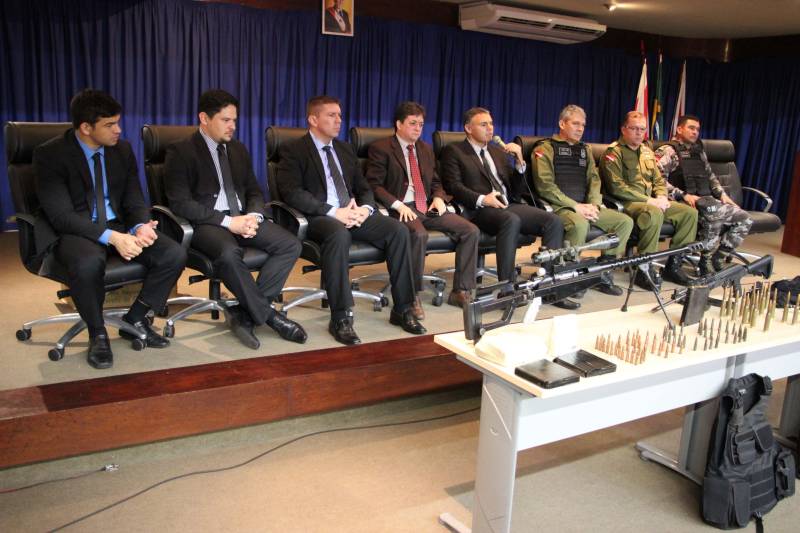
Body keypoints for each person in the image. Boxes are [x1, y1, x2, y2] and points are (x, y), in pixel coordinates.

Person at [33, 89, 187, 369]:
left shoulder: (122, 150)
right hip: (76, 230)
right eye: (110, 124)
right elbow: (61, 216)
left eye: (118, 122)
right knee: (88, 263)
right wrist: (113, 238)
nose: (118, 130)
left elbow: (134, 198)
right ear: (86, 128)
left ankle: (136, 318)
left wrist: (140, 225)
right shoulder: (50, 155)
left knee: (173, 253)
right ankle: (98, 333)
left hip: (117, 224)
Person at [276, 95, 425, 345]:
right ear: (313, 119)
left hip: (353, 213)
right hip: (319, 217)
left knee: (398, 230)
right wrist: (333, 211)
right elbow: (292, 192)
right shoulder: (293, 150)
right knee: (339, 234)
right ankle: (341, 317)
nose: (339, 120)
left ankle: (403, 308)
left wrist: (365, 209)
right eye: (331, 115)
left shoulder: (344, 149)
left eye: (340, 115)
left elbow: (364, 187)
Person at [164, 89, 307, 349]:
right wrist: (229, 222)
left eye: (234, 120)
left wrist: (253, 215)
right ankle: (270, 316)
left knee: (290, 244)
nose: (232, 126)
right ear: (204, 118)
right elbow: (181, 203)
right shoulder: (181, 151)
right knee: (230, 254)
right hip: (208, 223)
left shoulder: (238, 149)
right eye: (225, 120)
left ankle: (245, 313)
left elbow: (254, 190)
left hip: (243, 217)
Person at [440, 107, 578, 310]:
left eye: (491, 124)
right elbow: (453, 186)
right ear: (468, 128)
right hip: (478, 209)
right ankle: (507, 290)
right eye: (483, 124)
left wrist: (520, 162)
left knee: (553, 221)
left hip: (507, 204)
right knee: (511, 220)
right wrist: (483, 199)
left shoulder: (497, 152)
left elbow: (516, 189)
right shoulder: (454, 151)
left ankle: (549, 288)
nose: (490, 128)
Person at [365, 101, 480, 312]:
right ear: (399, 124)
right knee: (418, 235)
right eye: (413, 123)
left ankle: (461, 291)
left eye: (421, 124)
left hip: (426, 205)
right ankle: (411, 296)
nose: (418, 128)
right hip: (400, 207)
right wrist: (398, 205)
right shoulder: (381, 148)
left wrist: (438, 197)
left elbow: (435, 181)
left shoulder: (425, 149)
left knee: (470, 230)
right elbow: (374, 185)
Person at [532, 104, 633, 297]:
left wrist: (594, 204)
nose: (580, 129)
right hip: (560, 207)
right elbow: (545, 186)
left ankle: (603, 273)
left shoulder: (585, 150)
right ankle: (568, 277)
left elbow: (594, 180)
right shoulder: (545, 148)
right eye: (575, 124)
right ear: (562, 124)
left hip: (585, 205)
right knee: (579, 224)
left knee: (624, 221)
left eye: (583, 125)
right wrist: (575, 206)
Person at [600, 111, 698, 288]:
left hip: (651, 201)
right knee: (653, 213)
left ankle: (674, 266)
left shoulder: (647, 151)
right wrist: (650, 201)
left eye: (642, 129)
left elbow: (658, 180)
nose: (639, 133)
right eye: (634, 128)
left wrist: (661, 195)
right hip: (627, 202)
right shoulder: (613, 153)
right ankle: (643, 268)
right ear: (624, 129)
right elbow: (617, 188)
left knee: (689, 213)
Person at [655, 115, 752, 274]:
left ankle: (719, 257)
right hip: (680, 201)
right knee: (714, 213)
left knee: (744, 218)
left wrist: (722, 194)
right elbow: (657, 180)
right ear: (679, 129)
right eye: (691, 128)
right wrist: (682, 195)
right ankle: (705, 259)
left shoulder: (698, 151)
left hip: (704, 199)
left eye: (697, 129)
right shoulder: (668, 151)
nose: (695, 132)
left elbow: (710, 176)